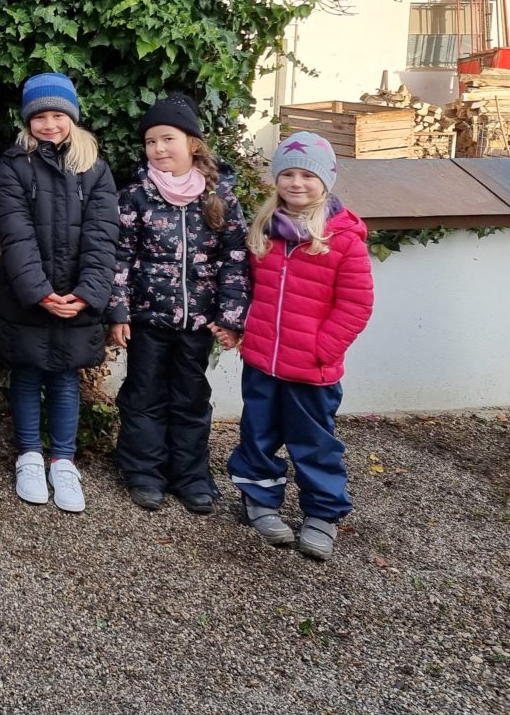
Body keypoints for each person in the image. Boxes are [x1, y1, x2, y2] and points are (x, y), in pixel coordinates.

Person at [228, 132, 374, 562]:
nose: (296, 183)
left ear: (325, 180)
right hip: (263, 362)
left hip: (312, 369)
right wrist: (243, 329)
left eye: (307, 175)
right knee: (258, 435)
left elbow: (356, 304)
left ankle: (322, 515)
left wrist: (321, 349)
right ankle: (260, 501)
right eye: (288, 174)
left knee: (314, 444)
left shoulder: (343, 239)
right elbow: (248, 288)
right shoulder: (265, 231)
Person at [108, 95, 250, 515]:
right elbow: (120, 257)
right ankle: (144, 473)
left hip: (199, 323)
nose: (158, 149)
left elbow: (235, 259)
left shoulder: (220, 197)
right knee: (143, 396)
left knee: (190, 398)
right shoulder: (135, 196)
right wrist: (119, 311)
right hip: (148, 319)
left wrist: (229, 318)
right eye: (150, 142)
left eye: (167, 139)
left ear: (193, 143)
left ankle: (191, 476)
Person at [0, 74, 117, 515]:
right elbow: (14, 233)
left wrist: (87, 293)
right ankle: (28, 456)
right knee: (26, 374)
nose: (49, 124)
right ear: (28, 120)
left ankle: (63, 461)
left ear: (72, 118)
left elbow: (103, 236)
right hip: (27, 296)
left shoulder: (94, 168)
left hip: (77, 297)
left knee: (65, 378)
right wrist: (40, 292)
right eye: (39, 116)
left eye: (57, 115)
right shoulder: (13, 165)